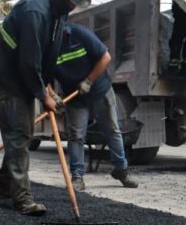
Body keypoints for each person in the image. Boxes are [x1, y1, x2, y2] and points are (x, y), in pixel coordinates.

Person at [0, 0, 90, 216]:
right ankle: (22, 198)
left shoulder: (57, 12)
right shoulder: (35, 10)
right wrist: (43, 95)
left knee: (23, 133)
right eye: (71, 0)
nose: (73, 6)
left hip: (22, 75)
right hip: (5, 76)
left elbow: (46, 55)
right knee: (19, 133)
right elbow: (28, 62)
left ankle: (3, 185)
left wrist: (48, 86)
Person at [53, 23, 139, 191]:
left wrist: (88, 81)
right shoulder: (47, 48)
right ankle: (77, 176)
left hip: (99, 89)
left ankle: (121, 170)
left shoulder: (79, 33)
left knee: (112, 130)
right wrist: (51, 94)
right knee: (76, 136)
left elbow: (105, 57)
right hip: (75, 96)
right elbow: (42, 74)